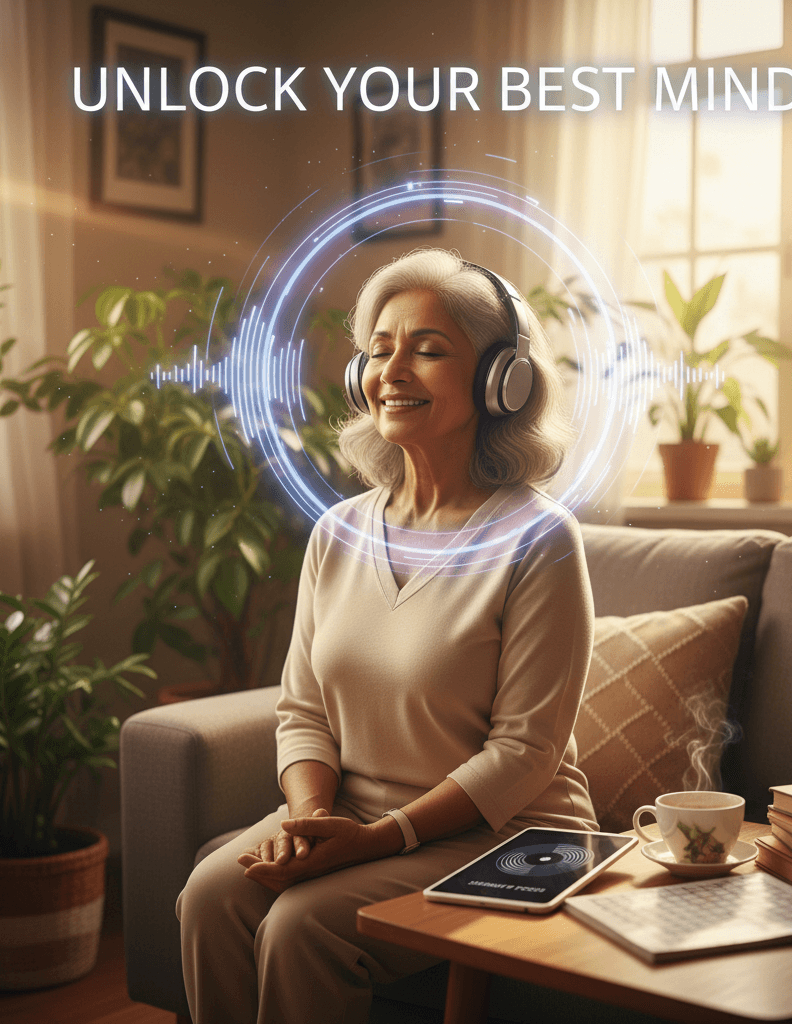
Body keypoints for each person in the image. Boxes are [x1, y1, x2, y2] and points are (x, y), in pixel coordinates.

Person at [176, 249, 598, 1024]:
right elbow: (303, 711)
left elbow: (525, 752)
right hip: (357, 817)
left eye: (428, 350)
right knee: (209, 896)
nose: (391, 371)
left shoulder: (540, 538)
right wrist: (312, 821)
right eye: (378, 350)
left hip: (511, 834)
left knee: (303, 928)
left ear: (502, 381)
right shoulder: (337, 532)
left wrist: (382, 840)